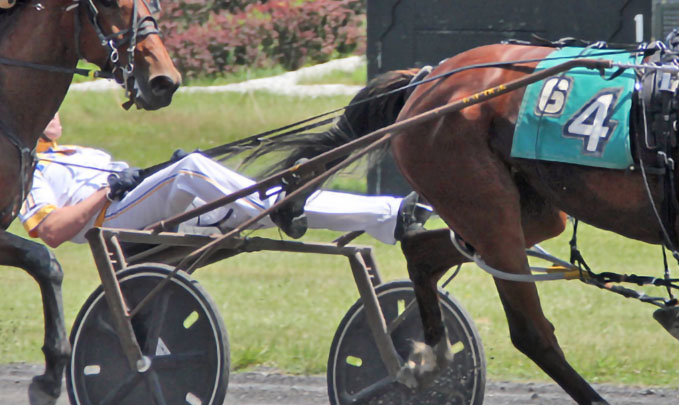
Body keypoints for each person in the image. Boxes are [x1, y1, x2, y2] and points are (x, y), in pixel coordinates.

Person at [20, 114, 429, 248]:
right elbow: (52, 232)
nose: (56, 111)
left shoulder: (74, 152)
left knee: (275, 196)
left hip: (142, 206)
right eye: (48, 108)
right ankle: (270, 206)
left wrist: (144, 176)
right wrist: (110, 190)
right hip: (113, 225)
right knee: (189, 170)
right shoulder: (32, 170)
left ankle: (387, 214)